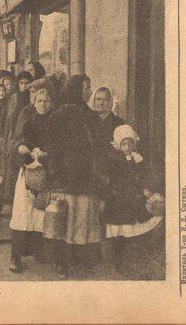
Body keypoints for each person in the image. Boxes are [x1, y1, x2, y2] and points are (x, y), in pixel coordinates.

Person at [44, 74, 103, 279]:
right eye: (86, 88)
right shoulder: (58, 115)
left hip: (86, 177)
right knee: (63, 220)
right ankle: (61, 263)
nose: (89, 91)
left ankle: (80, 257)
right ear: (76, 90)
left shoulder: (92, 116)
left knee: (82, 219)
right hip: (65, 178)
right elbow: (52, 150)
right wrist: (55, 177)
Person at [103, 125, 162, 274]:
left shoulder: (138, 158)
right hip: (118, 199)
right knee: (119, 229)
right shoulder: (114, 159)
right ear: (117, 144)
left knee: (133, 227)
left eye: (130, 144)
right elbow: (114, 179)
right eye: (124, 144)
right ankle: (117, 259)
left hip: (134, 197)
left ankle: (130, 257)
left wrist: (145, 187)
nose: (127, 147)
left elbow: (143, 175)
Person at [8, 87, 54, 273]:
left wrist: (47, 154)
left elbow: (59, 146)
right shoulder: (27, 122)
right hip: (28, 172)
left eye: (46, 101)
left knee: (41, 213)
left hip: (46, 173)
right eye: (39, 101)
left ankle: (37, 250)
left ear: (51, 103)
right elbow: (16, 142)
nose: (43, 104)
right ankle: (15, 256)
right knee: (23, 213)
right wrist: (21, 148)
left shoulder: (55, 122)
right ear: (33, 102)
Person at [2, 71, 34, 203]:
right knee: (13, 168)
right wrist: (6, 139)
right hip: (14, 136)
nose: (24, 86)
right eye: (21, 83)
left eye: (26, 83)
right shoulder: (14, 98)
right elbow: (8, 121)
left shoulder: (33, 97)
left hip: (28, 137)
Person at [89, 86, 126, 155]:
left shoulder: (118, 122)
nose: (100, 103)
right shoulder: (87, 120)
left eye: (105, 100)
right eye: (98, 99)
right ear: (93, 100)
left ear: (110, 102)